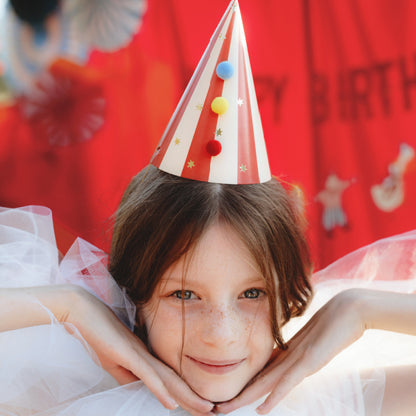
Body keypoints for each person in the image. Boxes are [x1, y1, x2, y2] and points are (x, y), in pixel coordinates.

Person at [1, 1, 416, 415]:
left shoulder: (336, 404)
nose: (221, 334)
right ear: (134, 297)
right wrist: (71, 306)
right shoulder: (66, 397)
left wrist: (361, 308)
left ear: (286, 294)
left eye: (252, 293)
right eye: (183, 294)